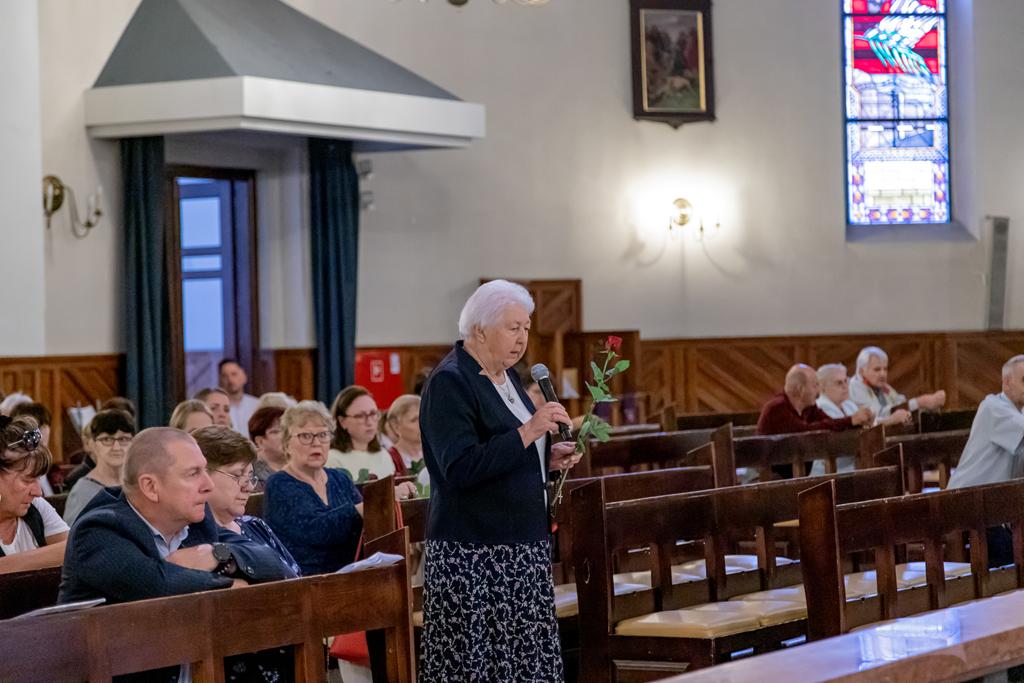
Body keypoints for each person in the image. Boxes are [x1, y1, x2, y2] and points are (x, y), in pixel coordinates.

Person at [418, 279, 581, 681]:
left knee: (524, 664)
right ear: (479, 329)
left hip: (520, 549)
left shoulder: (507, 378)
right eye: (513, 327)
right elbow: (459, 467)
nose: (522, 338)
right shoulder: (451, 381)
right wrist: (530, 432)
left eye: (526, 327)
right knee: (482, 667)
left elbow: (509, 452)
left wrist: (547, 459)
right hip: (476, 555)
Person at [263, 401, 365, 575]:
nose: (316, 443)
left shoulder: (340, 478)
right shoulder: (278, 484)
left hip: (353, 576)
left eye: (323, 435)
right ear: (286, 444)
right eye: (305, 436)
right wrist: (361, 509)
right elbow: (315, 531)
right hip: (305, 581)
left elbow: (364, 525)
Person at [948, 355, 1024, 566]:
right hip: (965, 505)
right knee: (1007, 555)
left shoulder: (1019, 411)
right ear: (1006, 382)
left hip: (993, 507)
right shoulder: (993, 407)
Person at [193, 425, 299, 576]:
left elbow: (295, 576)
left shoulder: (255, 525)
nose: (249, 487)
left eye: (250, 477)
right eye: (237, 475)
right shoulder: (188, 537)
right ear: (202, 476)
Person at [809, 364, 911, 475]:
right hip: (829, 471)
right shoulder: (821, 407)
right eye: (839, 383)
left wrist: (871, 420)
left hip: (853, 466)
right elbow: (845, 438)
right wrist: (889, 420)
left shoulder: (848, 404)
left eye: (846, 381)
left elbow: (866, 425)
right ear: (822, 387)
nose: (845, 386)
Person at [0, 416, 69, 574]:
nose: (38, 492)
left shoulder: (35, 506)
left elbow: (77, 549)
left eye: (38, 479)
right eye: (27, 480)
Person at [63, 410, 136, 526]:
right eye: (107, 439)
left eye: (123, 439)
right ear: (92, 444)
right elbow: (74, 535)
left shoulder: (138, 484)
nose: (116, 447)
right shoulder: (83, 492)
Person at [757, 364, 874, 435]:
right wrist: (851, 420)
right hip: (770, 469)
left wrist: (858, 423)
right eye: (815, 386)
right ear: (801, 389)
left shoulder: (809, 408)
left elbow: (831, 424)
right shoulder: (776, 408)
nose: (818, 391)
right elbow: (804, 432)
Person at [849, 346, 946, 418]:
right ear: (862, 371)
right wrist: (919, 402)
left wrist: (928, 404)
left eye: (885, 369)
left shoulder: (882, 386)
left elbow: (899, 403)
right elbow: (878, 415)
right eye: (877, 369)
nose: (883, 374)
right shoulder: (856, 387)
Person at [10, 401, 56, 495]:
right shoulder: (17, 468)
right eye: (39, 427)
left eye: (46, 426)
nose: (44, 432)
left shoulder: (48, 467)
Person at [219, 359, 261, 438]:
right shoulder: (218, 409)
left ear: (244, 377)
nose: (230, 380)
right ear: (220, 380)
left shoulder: (257, 405)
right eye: (225, 376)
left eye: (234, 374)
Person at [385, 395, 425, 478]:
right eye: (414, 420)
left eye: (423, 418)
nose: (421, 424)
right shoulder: (388, 458)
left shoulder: (434, 453)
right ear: (395, 426)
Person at [248, 406, 287, 487]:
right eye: (275, 432)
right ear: (259, 441)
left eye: (286, 429)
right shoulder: (250, 473)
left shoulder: (303, 466)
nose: (284, 435)